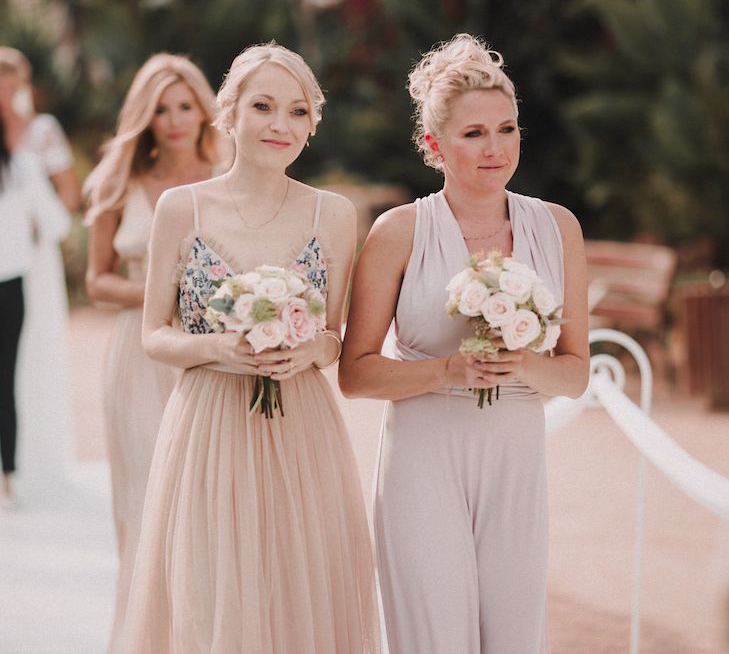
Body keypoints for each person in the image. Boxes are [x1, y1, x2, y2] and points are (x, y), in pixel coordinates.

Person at [120, 43, 379, 653]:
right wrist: (219, 350)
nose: (279, 125)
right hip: (208, 425)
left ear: (312, 125)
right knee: (213, 599)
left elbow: (335, 336)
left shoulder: (335, 214)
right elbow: (153, 334)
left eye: (296, 111)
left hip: (302, 430)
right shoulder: (180, 208)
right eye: (263, 106)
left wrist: (307, 350)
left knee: (295, 595)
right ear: (230, 112)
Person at [339, 33, 590, 653]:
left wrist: (526, 363)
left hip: (516, 459)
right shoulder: (398, 232)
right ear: (434, 146)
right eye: (474, 134)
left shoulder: (558, 228)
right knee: (435, 639)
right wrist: (447, 372)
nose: (495, 148)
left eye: (507, 129)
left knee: (514, 638)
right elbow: (356, 374)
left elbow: (576, 372)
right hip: (423, 462)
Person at [83, 52, 229, 650]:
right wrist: (161, 293)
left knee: (210, 496)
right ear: (144, 116)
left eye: (185, 105)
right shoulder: (118, 179)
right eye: (161, 108)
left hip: (210, 352)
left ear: (203, 109)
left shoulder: (228, 176)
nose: (173, 119)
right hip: (138, 358)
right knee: (145, 497)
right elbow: (96, 281)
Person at [0, 47, 78, 496]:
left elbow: (69, 192)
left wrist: (37, 220)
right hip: (4, 253)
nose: (7, 95)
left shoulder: (43, 132)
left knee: (34, 351)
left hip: (34, 255)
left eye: (13, 85)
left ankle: (29, 461)